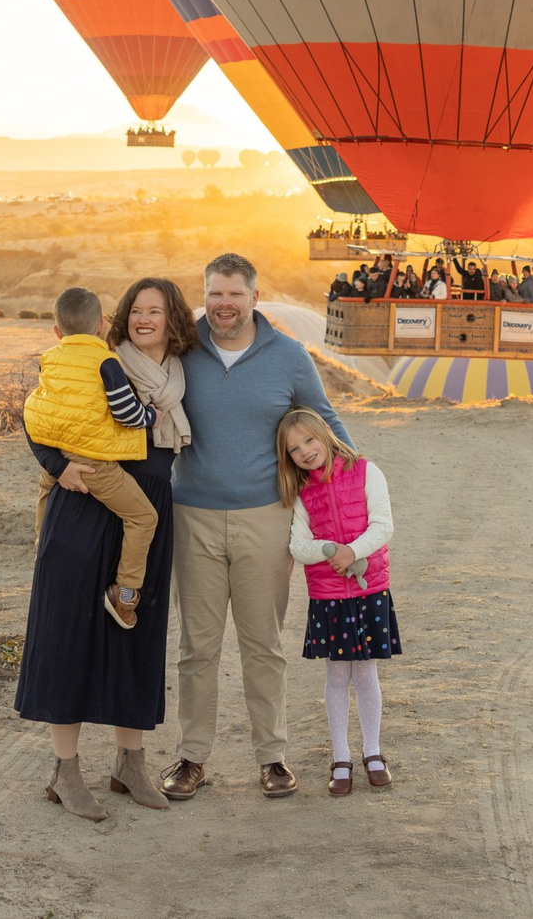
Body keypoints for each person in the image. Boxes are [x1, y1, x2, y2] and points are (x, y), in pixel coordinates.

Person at [161, 253, 351, 803]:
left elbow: (323, 418)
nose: (224, 305)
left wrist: (356, 473)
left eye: (235, 295)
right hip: (192, 514)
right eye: (215, 294)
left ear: (254, 298)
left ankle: (272, 757)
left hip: (266, 519)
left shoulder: (289, 356)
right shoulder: (181, 349)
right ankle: (192, 759)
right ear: (205, 296)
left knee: (263, 644)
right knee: (197, 648)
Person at [17, 279, 196, 819]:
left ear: (173, 319)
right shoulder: (100, 361)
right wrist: (56, 466)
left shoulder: (186, 374)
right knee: (67, 633)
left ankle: (130, 763)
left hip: (150, 510)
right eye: (134, 311)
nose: (143, 319)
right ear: (113, 320)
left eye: (155, 311)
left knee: (135, 636)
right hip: (85, 504)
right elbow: (38, 419)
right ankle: (65, 772)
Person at [20, 286, 158, 630]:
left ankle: (42, 546)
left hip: (59, 454)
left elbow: (45, 406)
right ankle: (125, 593)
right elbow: (125, 411)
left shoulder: (50, 357)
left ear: (56, 331)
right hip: (95, 463)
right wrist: (150, 416)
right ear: (101, 326)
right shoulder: (106, 362)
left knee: (45, 490)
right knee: (143, 518)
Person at [280, 407, 400, 795]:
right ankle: (341, 756)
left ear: (325, 434)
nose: (305, 452)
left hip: (369, 590)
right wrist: (328, 548)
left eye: (309, 440)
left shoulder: (367, 471)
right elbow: (298, 545)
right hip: (329, 596)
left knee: (365, 672)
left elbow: (383, 525)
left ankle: (373, 751)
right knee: (336, 673)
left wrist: (352, 551)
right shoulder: (302, 492)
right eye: (294, 449)